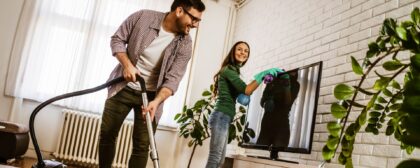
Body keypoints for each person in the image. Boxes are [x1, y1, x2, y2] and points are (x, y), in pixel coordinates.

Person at [99, 0, 205, 167]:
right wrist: (127, 65)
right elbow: (117, 40)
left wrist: (156, 102)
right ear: (179, 11)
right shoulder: (143, 17)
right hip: (123, 87)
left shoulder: (185, 44)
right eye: (194, 19)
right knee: (107, 134)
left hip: (151, 97)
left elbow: (173, 79)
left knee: (142, 146)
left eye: (198, 21)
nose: (196, 25)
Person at [206, 41, 282, 168]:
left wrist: (255, 81)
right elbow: (247, 90)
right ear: (233, 52)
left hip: (224, 117)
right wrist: (263, 74)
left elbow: (243, 96)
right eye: (239, 49)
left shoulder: (234, 71)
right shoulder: (228, 70)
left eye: (246, 51)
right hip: (221, 116)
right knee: (215, 157)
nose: (243, 52)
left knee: (220, 160)